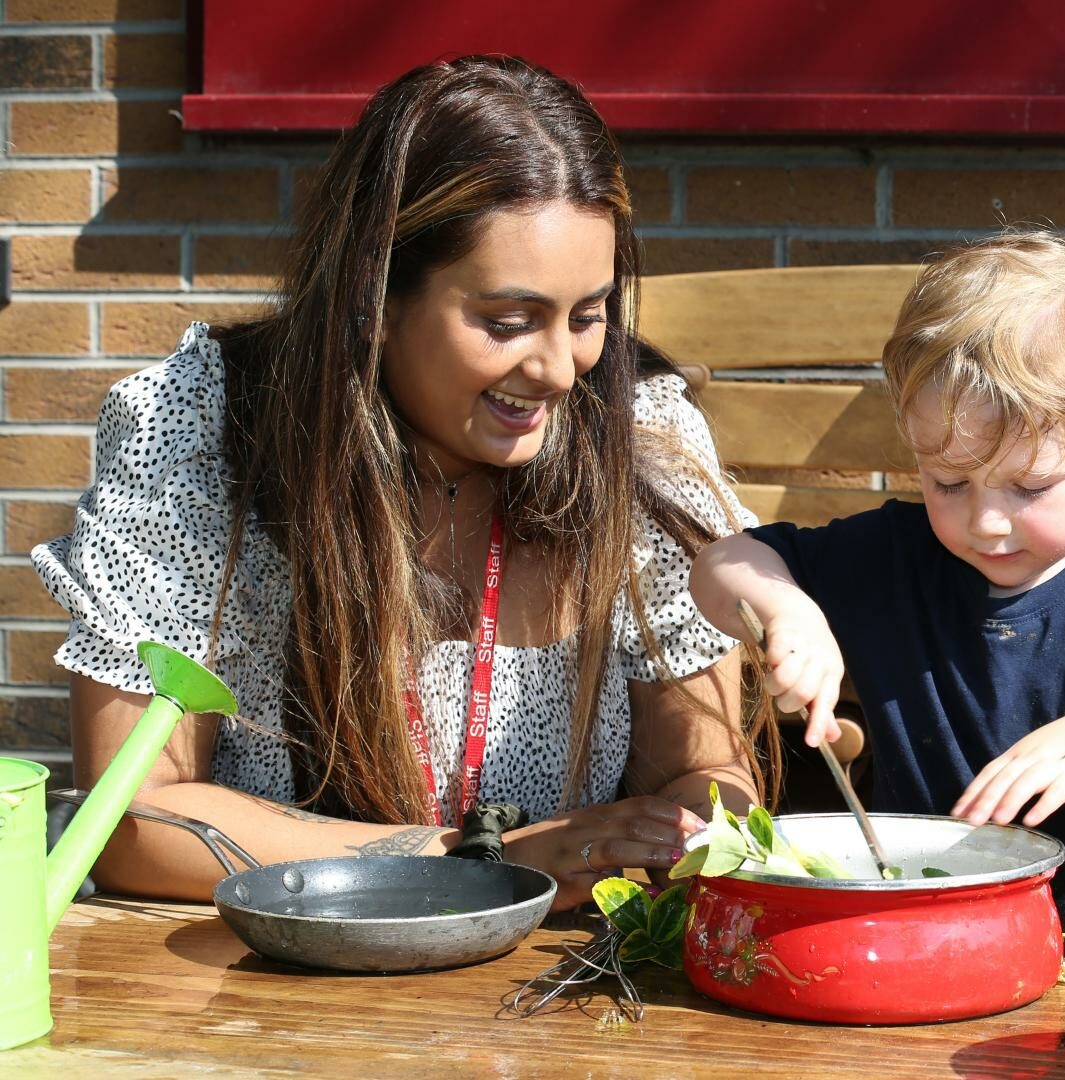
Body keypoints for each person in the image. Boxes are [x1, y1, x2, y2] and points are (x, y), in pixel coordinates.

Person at [33, 56, 772, 910]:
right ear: (373, 300)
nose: (562, 368)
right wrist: (468, 862)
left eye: (590, 315)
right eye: (507, 321)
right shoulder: (203, 428)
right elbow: (135, 818)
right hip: (268, 983)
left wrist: (681, 836)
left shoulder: (638, 434)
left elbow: (704, 770)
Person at [689, 232, 1065, 920]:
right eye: (950, 481)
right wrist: (788, 612)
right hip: (916, 922)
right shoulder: (892, 555)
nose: (987, 521)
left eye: (1030, 486)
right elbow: (722, 563)